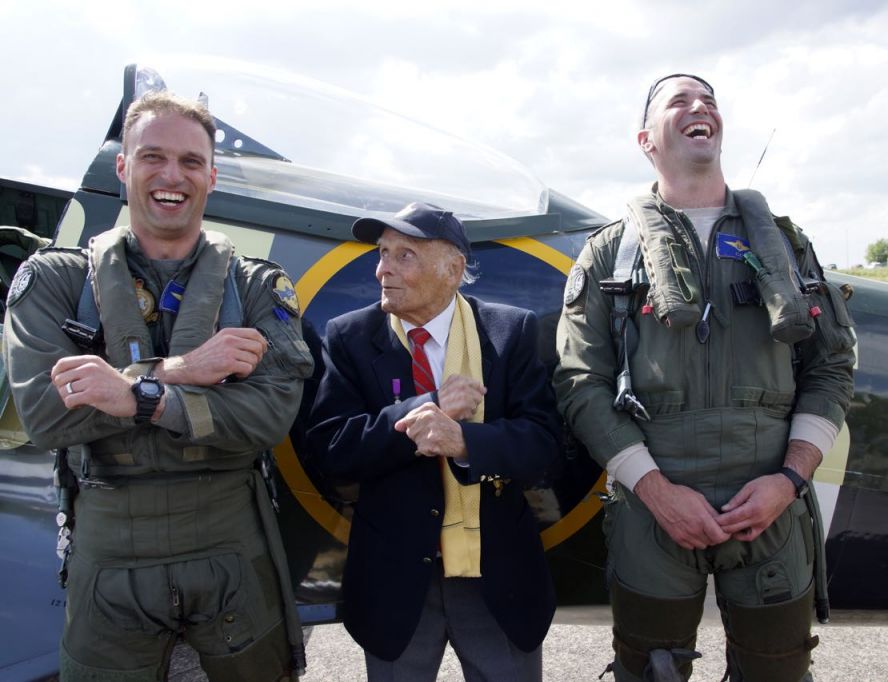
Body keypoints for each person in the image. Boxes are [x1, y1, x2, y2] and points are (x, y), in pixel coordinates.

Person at [554, 74, 856, 681]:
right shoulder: (611, 254)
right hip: (654, 511)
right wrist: (656, 491)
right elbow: (581, 381)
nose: (701, 109)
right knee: (650, 671)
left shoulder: (787, 248)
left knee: (778, 670)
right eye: (681, 102)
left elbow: (831, 365)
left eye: (710, 102)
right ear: (647, 139)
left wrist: (790, 479)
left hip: (771, 506)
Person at [3, 91, 313, 681]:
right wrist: (174, 372)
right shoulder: (52, 281)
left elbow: (270, 414)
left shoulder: (254, 287)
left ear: (212, 176)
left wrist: (134, 396)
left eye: (191, 162)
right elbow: (45, 415)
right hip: (110, 556)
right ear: (122, 166)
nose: (173, 176)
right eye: (153, 157)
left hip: (231, 552)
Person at [305, 202, 561, 681]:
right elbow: (332, 450)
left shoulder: (510, 332)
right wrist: (423, 413)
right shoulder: (351, 337)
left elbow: (544, 448)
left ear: (454, 269)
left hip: (495, 576)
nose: (383, 269)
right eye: (382, 253)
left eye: (405, 255)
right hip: (396, 580)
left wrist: (464, 441)